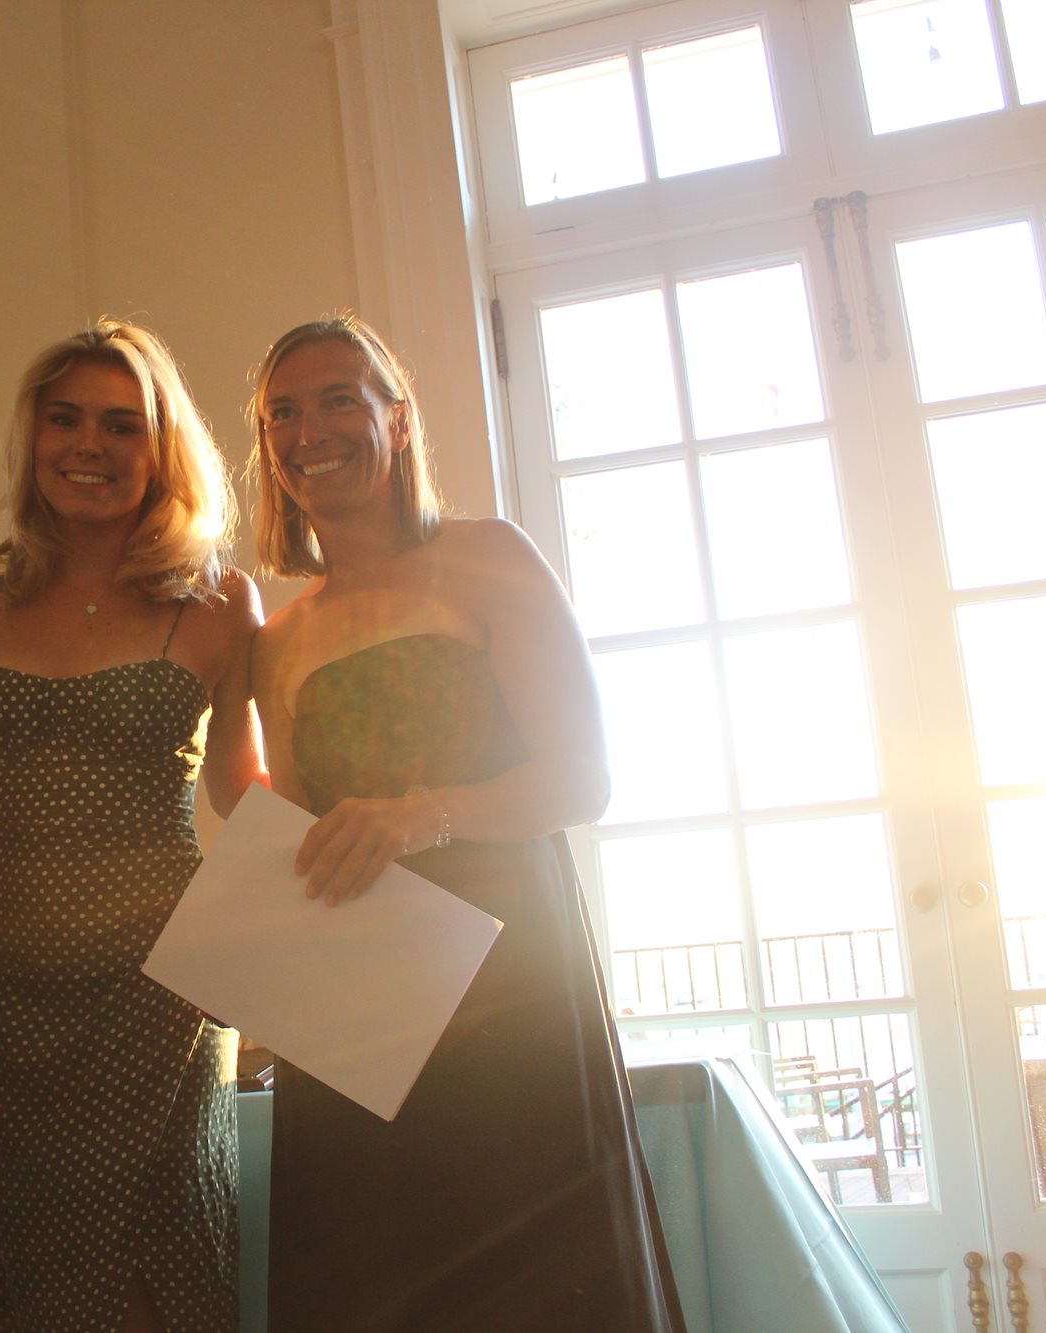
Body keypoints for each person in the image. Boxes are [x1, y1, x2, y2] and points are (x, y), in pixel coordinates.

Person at [246, 315, 685, 1331]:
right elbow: (295, 832)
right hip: (362, 1006)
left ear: (398, 421)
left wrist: (425, 817)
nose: (309, 431)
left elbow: (583, 777)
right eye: (282, 414)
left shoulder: (490, 556)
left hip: (510, 981)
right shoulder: (276, 637)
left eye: (339, 400)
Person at [0, 320, 264, 1332]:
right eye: (66, 419)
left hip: (163, 997)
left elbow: (245, 793)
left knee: (155, 1282)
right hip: (10, 1000)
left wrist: (372, 828)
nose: (88, 444)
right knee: (33, 1288)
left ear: (160, 447)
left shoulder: (220, 599)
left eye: (121, 425)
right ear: (32, 435)